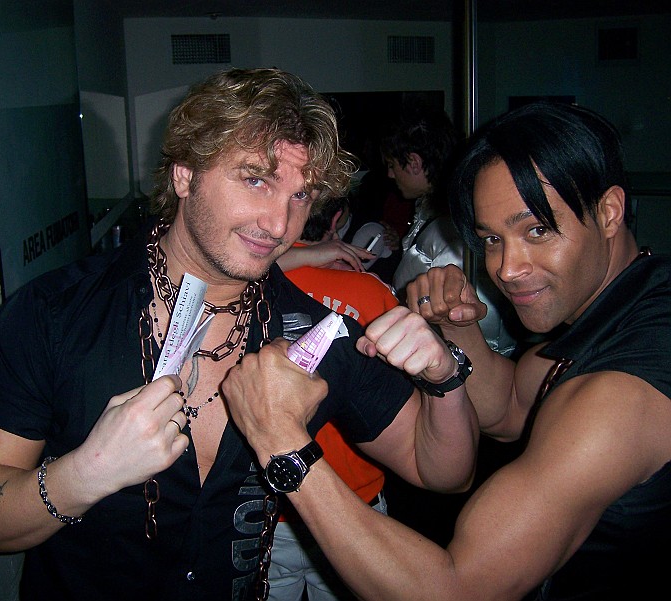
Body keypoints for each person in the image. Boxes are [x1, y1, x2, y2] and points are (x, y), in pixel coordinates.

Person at [0, 67, 479, 601]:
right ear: (184, 174)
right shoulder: (55, 314)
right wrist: (87, 473)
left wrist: (445, 375)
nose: (279, 225)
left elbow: (441, 470)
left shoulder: (312, 334)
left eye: (301, 195)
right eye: (256, 180)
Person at [221, 101, 671, 600]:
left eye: (537, 230)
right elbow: (510, 408)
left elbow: (458, 589)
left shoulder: (619, 397)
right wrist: (456, 326)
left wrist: (284, 445)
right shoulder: (630, 308)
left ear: (609, 212)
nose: (507, 269)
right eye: (492, 239)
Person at [271, 199, 399, 601]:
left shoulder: (250, 284)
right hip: (353, 505)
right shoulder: (372, 293)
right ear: (339, 219)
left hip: (271, 506)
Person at [384, 102, 520, 357]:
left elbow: (480, 328)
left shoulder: (451, 229)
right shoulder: (433, 211)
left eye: (392, 165)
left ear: (413, 162)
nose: (391, 174)